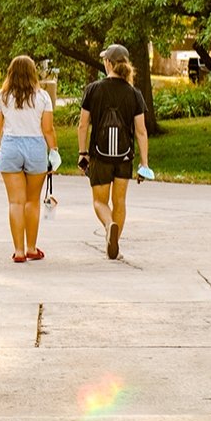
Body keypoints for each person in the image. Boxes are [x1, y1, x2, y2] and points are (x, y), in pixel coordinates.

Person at [77, 43, 153, 261]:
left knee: (100, 202)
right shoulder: (134, 93)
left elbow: (83, 125)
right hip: (124, 156)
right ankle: (115, 242)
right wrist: (144, 164)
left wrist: (83, 153)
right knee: (119, 202)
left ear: (108, 63)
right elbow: (141, 131)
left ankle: (109, 225)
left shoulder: (93, 89)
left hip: (100, 156)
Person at [0, 54, 56, 263]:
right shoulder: (42, 97)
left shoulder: (1, 96)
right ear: (32, 73)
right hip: (36, 147)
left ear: (11, 73)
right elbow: (48, 129)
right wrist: (53, 151)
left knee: (15, 202)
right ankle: (32, 248)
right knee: (32, 201)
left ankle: (18, 251)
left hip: (10, 146)